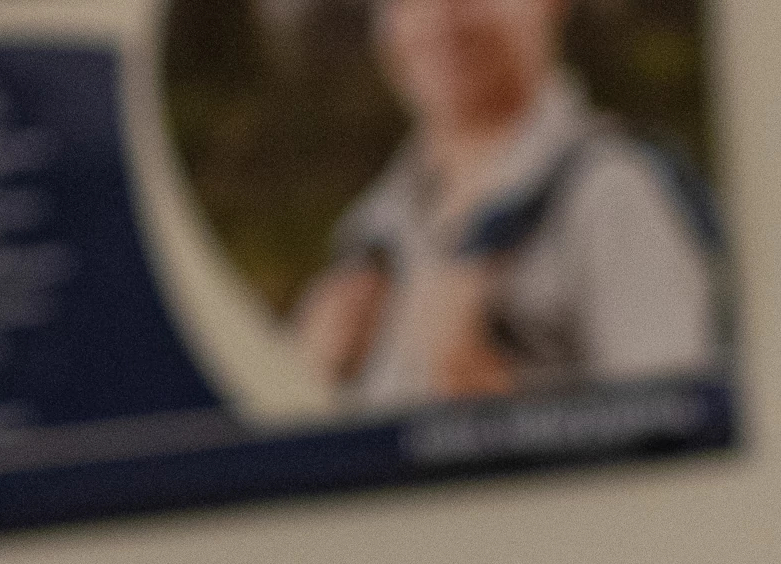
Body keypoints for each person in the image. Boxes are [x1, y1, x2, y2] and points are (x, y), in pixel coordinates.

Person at [289, 0, 728, 410]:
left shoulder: (615, 191)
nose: (442, 18)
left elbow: (680, 433)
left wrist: (492, 401)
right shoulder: (369, 233)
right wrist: (303, 394)